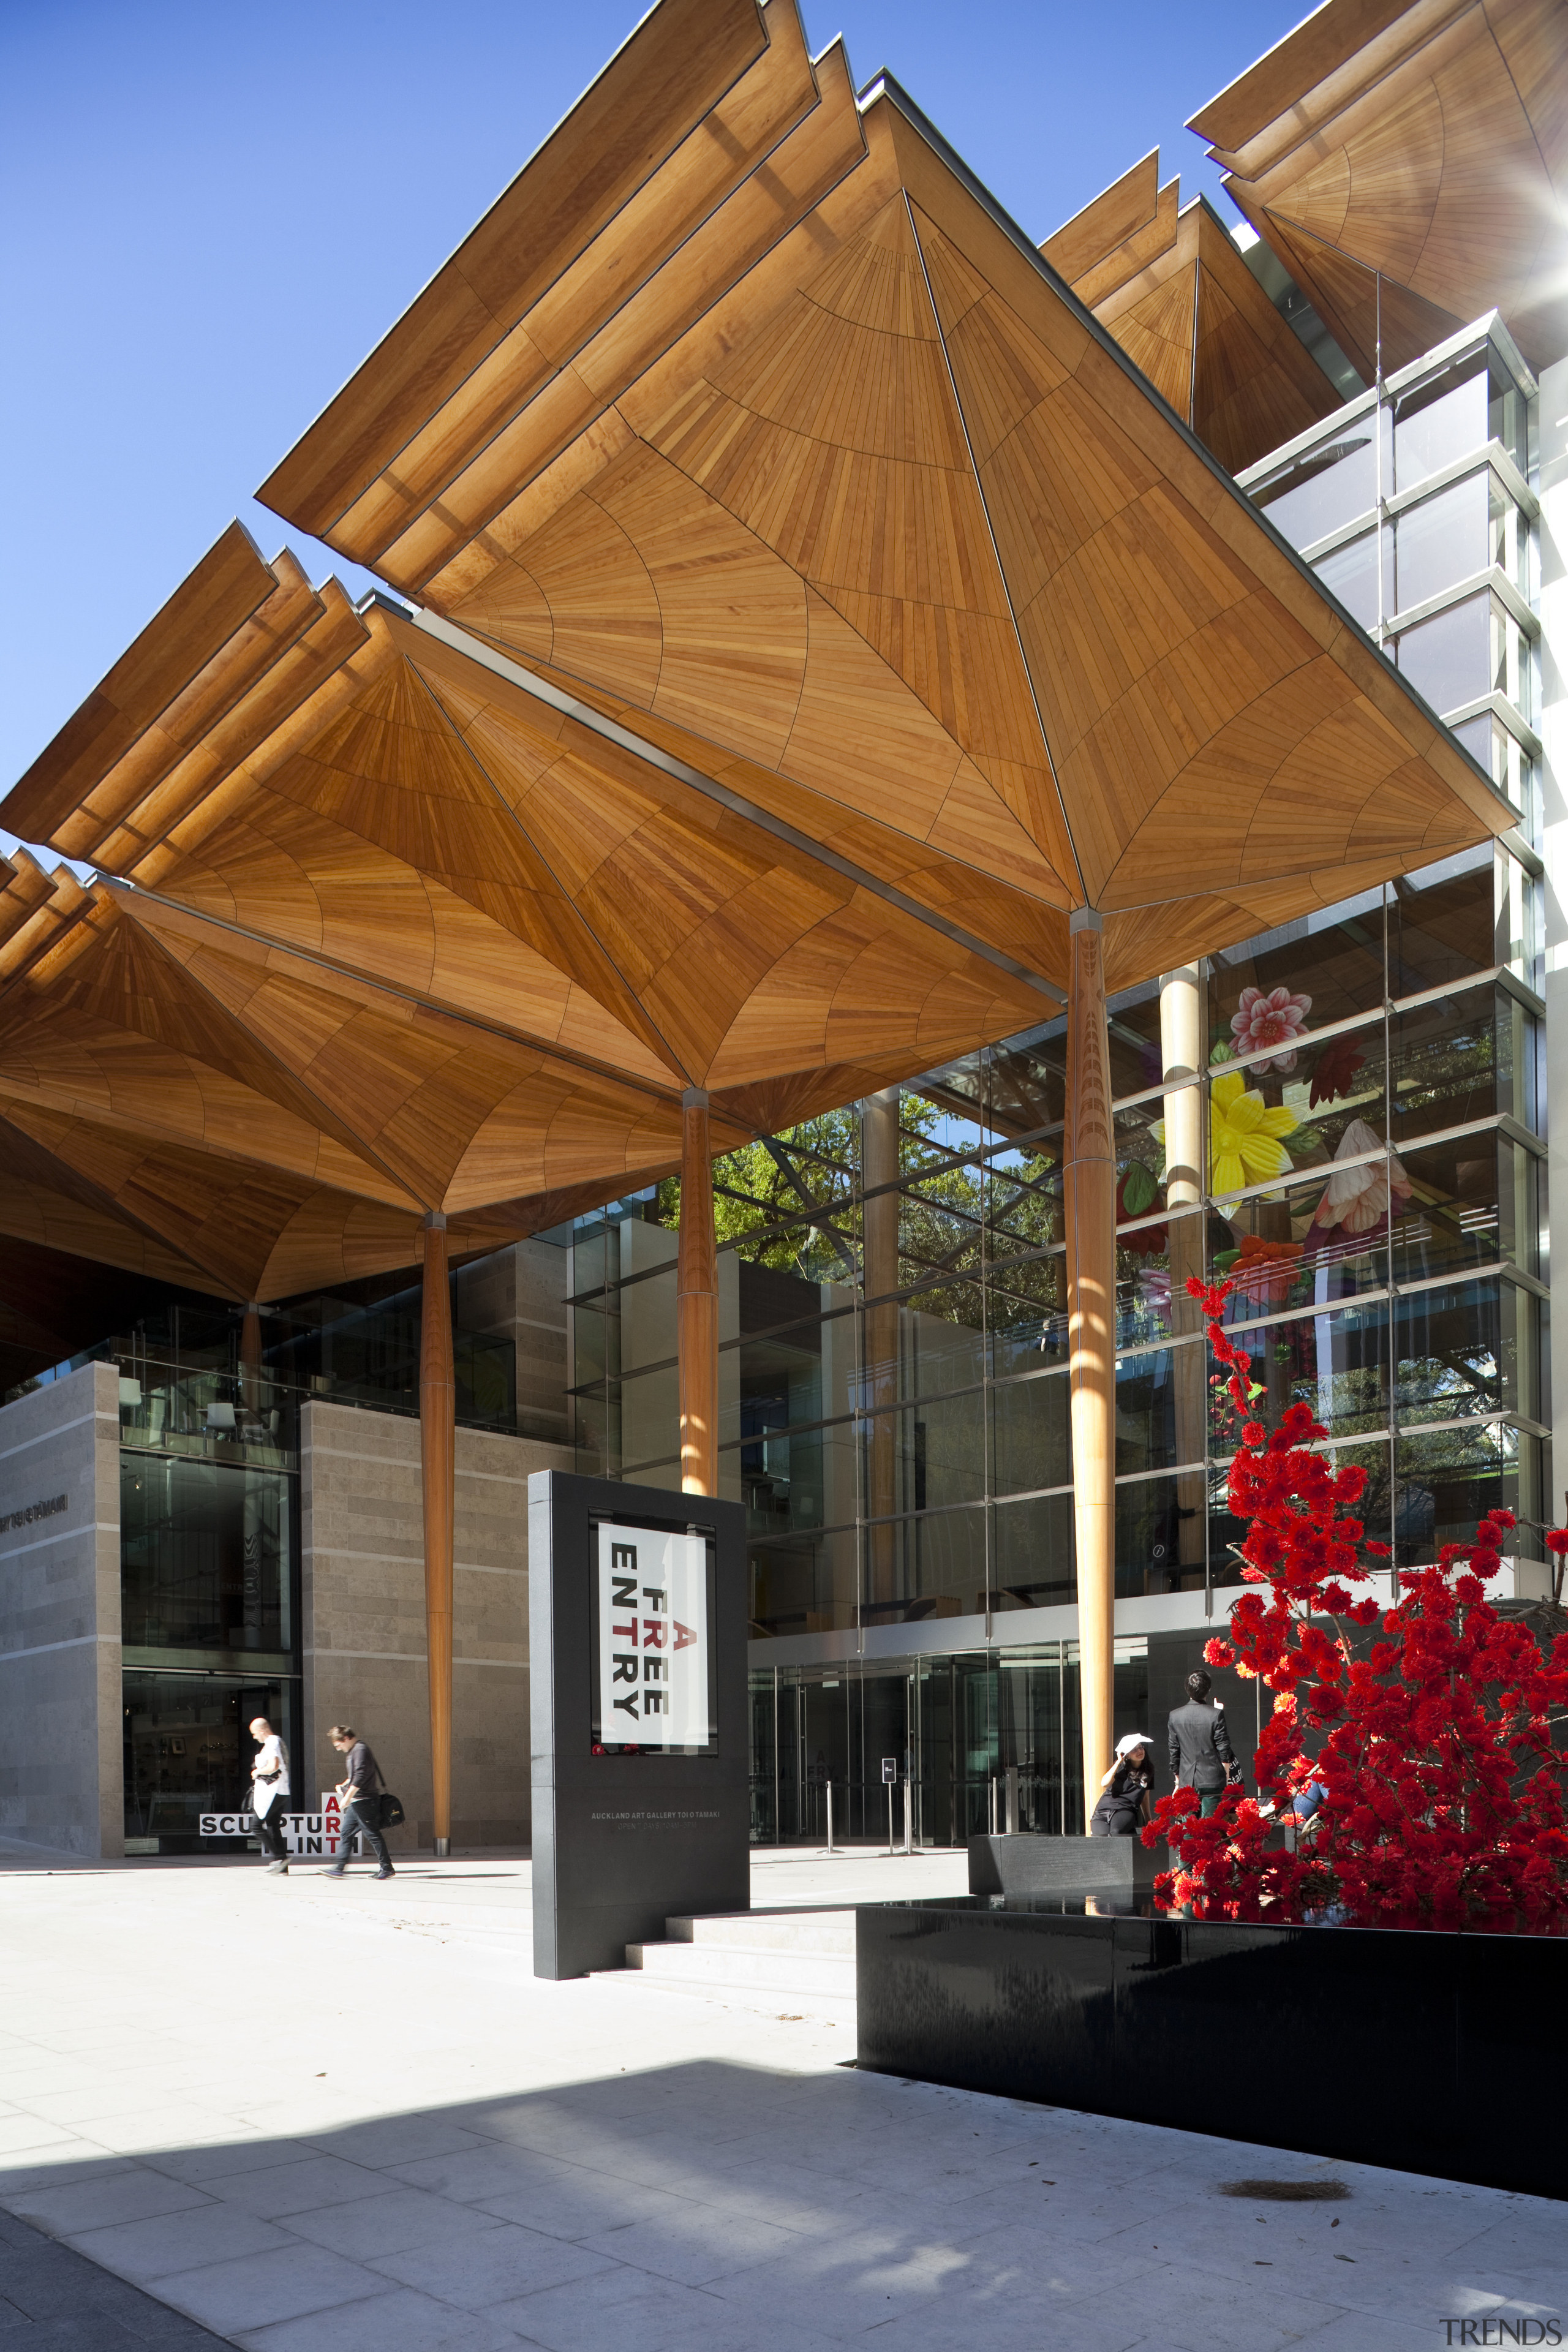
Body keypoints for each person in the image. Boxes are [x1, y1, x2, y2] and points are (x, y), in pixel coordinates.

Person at [323, 1725, 394, 1879]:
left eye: (338, 1744)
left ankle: (386, 1867)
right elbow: (356, 1775)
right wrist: (345, 1785)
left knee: (373, 1835)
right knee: (346, 1834)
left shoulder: (360, 1750)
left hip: (365, 1801)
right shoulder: (355, 1751)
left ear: (347, 1738)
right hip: (359, 1801)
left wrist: (346, 1798)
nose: (338, 1748)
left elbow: (360, 1777)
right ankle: (339, 1868)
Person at [1167, 1668, 1239, 1817]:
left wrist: (1178, 1781)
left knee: (1188, 1831)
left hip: (1187, 1780)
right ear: (1209, 1689)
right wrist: (1225, 1776)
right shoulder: (1216, 1714)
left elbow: (1174, 1750)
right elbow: (1223, 1748)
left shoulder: (1175, 1716)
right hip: (1213, 1778)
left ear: (1188, 1690)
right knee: (1210, 1829)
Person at [249, 1716, 290, 1875]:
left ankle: (280, 1860)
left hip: (272, 1792)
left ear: (261, 1730)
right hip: (281, 1791)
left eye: (254, 1733)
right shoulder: (277, 1742)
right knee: (273, 1826)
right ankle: (282, 1867)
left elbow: (274, 1766)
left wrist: (257, 1771)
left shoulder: (272, 1743)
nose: (254, 1737)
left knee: (256, 1826)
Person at [1088, 1734, 1153, 1836]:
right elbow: (1104, 1783)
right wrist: (1118, 1762)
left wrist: (1149, 1821)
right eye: (1134, 1750)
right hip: (1103, 1810)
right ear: (1127, 1754)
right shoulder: (1119, 1767)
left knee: (1116, 1834)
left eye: (1141, 1747)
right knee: (1101, 1838)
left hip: (1125, 1810)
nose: (1139, 1751)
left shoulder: (1148, 1770)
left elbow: (1145, 1797)